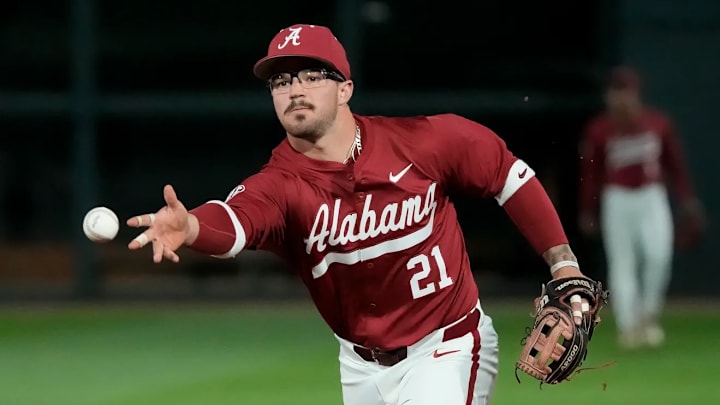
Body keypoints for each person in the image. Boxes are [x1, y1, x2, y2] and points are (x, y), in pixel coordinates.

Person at [127, 24, 598, 405]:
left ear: (345, 88)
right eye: (282, 81)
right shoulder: (280, 183)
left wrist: (563, 263)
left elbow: (508, 175)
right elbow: (234, 221)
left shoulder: (423, 142)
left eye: (311, 75)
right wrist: (190, 226)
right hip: (359, 368)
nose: (295, 89)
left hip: (448, 347)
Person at [578, 66, 705, 349]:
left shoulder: (657, 123)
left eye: (626, 92)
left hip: (651, 196)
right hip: (617, 198)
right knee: (622, 263)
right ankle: (629, 326)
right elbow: (591, 174)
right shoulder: (599, 130)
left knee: (658, 257)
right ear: (609, 97)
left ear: (636, 94)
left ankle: (647, 315)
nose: (622, 99)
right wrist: (588, 209)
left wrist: (687, 200)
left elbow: (675, 165)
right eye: (616, 92)